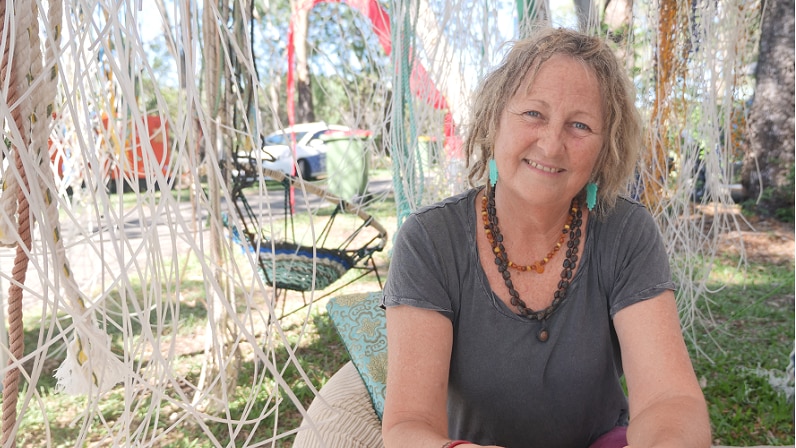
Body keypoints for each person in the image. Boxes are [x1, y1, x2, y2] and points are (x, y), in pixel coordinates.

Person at [380, 27, 711, 448]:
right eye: (533, 114)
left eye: (580, 125)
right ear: (492, 121)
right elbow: (407, 426)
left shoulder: (625, 231)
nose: (552, 145)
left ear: (604, 151)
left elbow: (671, 398)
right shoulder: (429, 240)